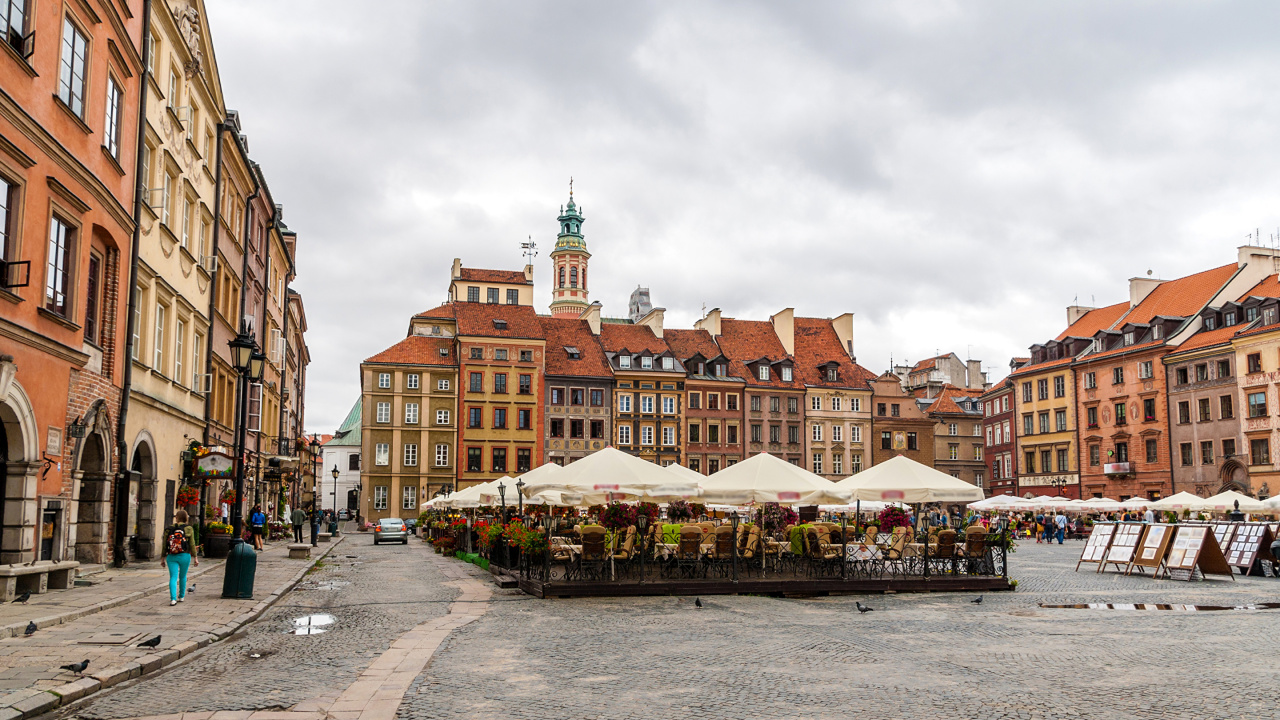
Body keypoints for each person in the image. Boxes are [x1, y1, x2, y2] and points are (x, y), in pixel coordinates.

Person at [161, 509, 199, 606]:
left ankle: (173, 599)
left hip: (171, 556)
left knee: (173, 577)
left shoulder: (168, 529)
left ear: (176, 518)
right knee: (182, 576)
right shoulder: (189, 528)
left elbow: (164, 545)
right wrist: (195, 557)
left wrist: (162, 558)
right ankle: (181, 596)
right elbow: (192, 544)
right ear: (186, 518)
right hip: (185, 556)